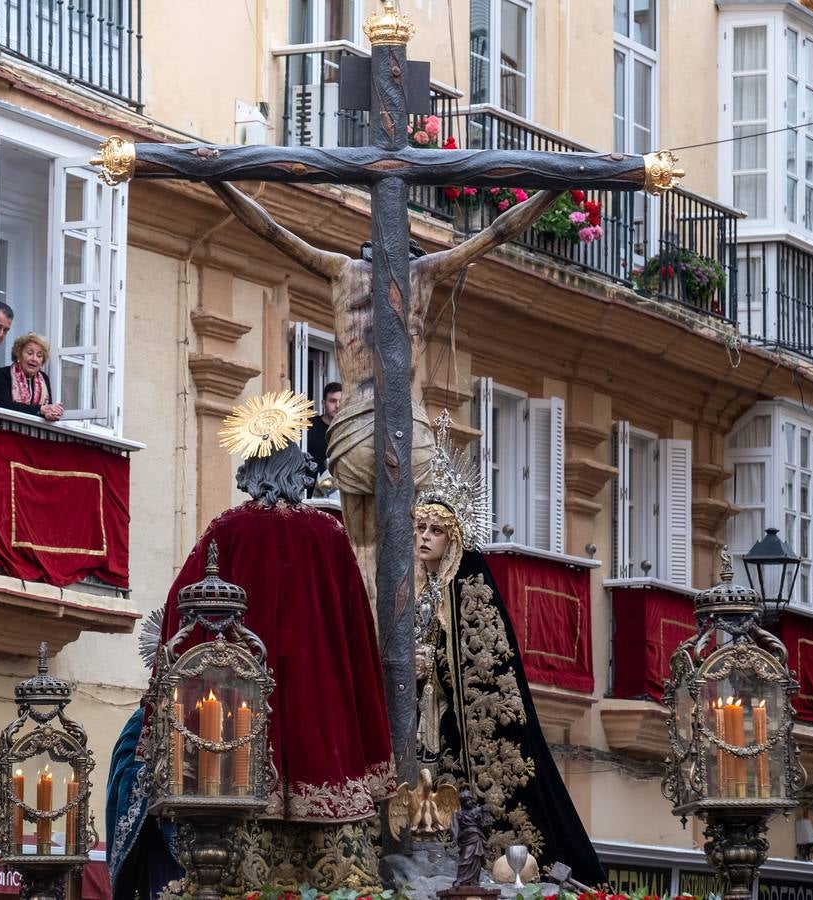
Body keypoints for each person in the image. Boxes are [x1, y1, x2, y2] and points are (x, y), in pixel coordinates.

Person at [206, 182, 561, 599]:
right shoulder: (423, 274)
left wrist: (217, 180)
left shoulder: (342, 271)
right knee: (407, 549)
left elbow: (270, 229)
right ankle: (401, 646)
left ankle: (369, 641)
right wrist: (556, 188)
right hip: (405, 425)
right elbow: (496, 233)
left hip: (354, 426)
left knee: (361, 551)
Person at [106, 391, 395, 896]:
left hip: (235, 739)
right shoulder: (329, 536)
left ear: (253, 469)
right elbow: (357, 639)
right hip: (322, 722)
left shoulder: (227, 530)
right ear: (298, 467)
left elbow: (181, 617)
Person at [411, 412, 606, 885]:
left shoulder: (472, 583)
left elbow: (485, 665)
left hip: (467, 732)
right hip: (427, 722)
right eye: (418, 529)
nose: (422, 538)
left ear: (453, 536)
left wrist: (431, 660)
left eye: (433, 531)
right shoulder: (420, 589)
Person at [0, 333, 65, 421]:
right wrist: (40, 410)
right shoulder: (2, 374)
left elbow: (45, 409)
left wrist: (52, 413)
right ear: (18, 354)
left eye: (39, 355)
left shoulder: (44, 379)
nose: (34, 359)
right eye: (30, 353)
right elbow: (4, 406)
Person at [305, 381, 342, 477]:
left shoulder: (348, 429)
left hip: (341, 488)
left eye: (341, 401)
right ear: (323, 403)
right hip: (310, 486)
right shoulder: (309, 426)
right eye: (332, 401)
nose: (337, 405)